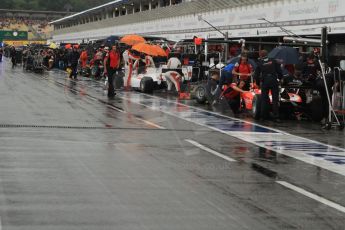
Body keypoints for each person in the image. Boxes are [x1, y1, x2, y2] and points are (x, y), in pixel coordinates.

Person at [254, 50, 283, 121]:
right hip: (273, 80)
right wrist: (280, 78)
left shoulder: (259, 62)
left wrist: (257, 83)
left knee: (264, 99)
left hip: (265, 81)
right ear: (267, 54)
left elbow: (256, 75)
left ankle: (263, 117)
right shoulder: (273, 60)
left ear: (261, 55)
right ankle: (276, 117)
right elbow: (279, 71)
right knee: (275, 99)